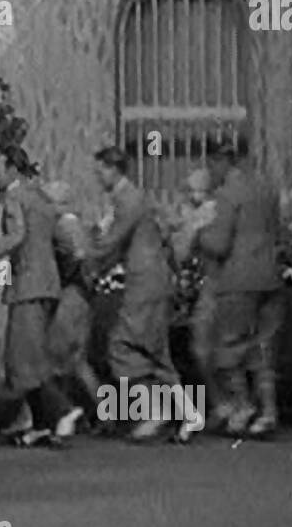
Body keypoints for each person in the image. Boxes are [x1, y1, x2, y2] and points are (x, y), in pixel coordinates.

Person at [89, 145, 195, 442]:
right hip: (153, 280)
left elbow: (111, 243)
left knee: (121, 346)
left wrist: (86, 253)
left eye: (100, 171)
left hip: (144, 283)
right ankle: (188, 414)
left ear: (113, 169)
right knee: (157, 352)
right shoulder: (133, 198)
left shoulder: (128, 199)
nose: (98, 178)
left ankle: (154, 412)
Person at [0, 145, 83, 447]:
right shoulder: (40, 195)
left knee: (23, 360)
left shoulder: (14, 196)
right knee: (30, 356)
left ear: (12, 168)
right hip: (47, 284)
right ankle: (41, 424)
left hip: (27, 285)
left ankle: (63, 410)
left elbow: (16, 236)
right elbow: (63, 240)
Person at [198, 139, 283, 438]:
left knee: (228, 348)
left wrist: (199, 233)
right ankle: (269, 413)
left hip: (237, 280)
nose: (210, 173)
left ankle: (242, 405)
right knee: (263, 349)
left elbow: (219, 245)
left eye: (210, 166)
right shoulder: (266, 188)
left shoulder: (226, 195)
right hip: (270, 276)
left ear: (221, 162)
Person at [44, 180, 101, 420]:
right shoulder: (75, 224)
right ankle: (107, 413)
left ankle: (63, 411)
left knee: (52, 357)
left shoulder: (65, 225)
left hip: (71, 296)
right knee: (78, 363)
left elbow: (79, 258)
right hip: (82, 296)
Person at [172, 168, 222, 422]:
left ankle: (220, 405)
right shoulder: (206, 210)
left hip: (216, 288)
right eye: (190, 189)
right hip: (210, 287)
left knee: (202, 350)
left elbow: (181, 251)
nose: (193, 195)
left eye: (197, 189)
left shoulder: (208, 212)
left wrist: (186, 225)